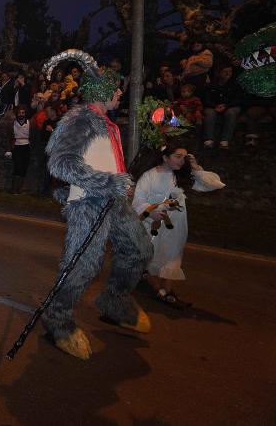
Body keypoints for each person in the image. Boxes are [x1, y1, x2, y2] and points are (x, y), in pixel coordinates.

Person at [41, 49, 153, 360]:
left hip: (114, 202)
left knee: (140, 249)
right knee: (84, 265)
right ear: (103, 92)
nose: (120, 95)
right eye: (117, 90)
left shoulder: (108, 123)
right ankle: (58, 319)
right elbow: (61, 164)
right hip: (89, 203)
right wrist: (108, 182)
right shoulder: (81, 120)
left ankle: (115, 301)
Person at [132, 145, 224, 308]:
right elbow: (138, 200)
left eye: (184, 157)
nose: (181, 161)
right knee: (148, 253)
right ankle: (136, 276)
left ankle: (165, 291)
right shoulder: (149, 176)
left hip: (175, 225)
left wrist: (195, 168)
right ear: (165, 157)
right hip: (152, 224)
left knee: (172, 255)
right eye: (177, 156)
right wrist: (152, 211)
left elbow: (213, 184)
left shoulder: (182, 176)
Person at [202, 65, 242, 149]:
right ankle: (209, 139)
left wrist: (226, 106)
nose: (228, 73)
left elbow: (238, 99)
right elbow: (206, 100)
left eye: (230, 71)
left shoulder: (236, 84)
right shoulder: (211, 84)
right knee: (209, 113)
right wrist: (214, 106)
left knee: (230, 113)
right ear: (218, 73)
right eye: (225, 71)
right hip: (214, 106)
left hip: (230, 106)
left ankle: (225, 140)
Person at [9, 105, 31, 194]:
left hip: (26, 147)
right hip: (17, 146)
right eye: (19, 113)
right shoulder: (13, 124)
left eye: (23, 113)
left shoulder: (30, 123)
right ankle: (14, 188)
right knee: (17, 167)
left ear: (25, 114)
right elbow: (9, 137)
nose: (21, 114)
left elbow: (33, 135)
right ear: (16, 114)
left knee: (24, 168)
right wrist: (9, 149)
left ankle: (20, 189)